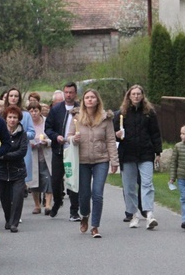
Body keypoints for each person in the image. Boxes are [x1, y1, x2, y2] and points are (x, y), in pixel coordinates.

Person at [68, 89, 119, 238]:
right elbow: (69, 136)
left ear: (97, 100)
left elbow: (110, 140)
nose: (90, 100)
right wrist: (73, 139)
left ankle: (95, 225)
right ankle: (84, 215)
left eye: (92, 97)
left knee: (97, 193)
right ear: (83, 101)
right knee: (84, 194)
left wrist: (114, 161)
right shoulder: (77, 117)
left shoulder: (106, 118)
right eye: (87, 97)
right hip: (82, 160)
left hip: (101, 160)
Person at [115, 85, 162, 229]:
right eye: (133, 94)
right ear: (129, 96)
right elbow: (113, 134)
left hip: (145, 152)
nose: (136, 96)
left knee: (147, 183)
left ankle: (149, 214)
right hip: (127, 153)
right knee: (129, 186)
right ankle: (133, 214)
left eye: (138, 94)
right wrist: (117, 135)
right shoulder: (121, 114)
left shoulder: (149, 113)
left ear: (142, 96)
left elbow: (155, 133)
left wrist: (158, 152)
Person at [45, 82, 81, 221]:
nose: (68, 95)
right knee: (56, 180)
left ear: (75, 93)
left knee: (72, 180)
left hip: (74, 150)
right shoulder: (56, 109)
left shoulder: (80, 109)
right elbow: (48, 128)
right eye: (66, 92)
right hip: (58, 150)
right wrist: (56, 137)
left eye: (71, 92)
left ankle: (74, 210)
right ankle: (57, 201)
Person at [0, 105, 28, 232]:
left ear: (18, 119)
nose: (12, 120)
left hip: (18, 171)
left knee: (17, 197)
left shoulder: (22, 134)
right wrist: (1, 155)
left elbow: (22, 152)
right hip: (2, 171)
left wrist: (4, 155)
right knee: (4, 199)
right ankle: (8, 219)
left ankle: (14, 223)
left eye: (15, 117)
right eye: (10, 117)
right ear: (5, 118)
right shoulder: (0, 133)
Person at [27, 100, 53, 214]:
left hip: (46, 154)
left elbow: (53, 136)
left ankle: (48, 205)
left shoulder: (47, 122)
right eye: (31, 111)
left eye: (36, 110)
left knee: (48, 179)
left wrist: (46, 142)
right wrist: (30, 143)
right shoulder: (27, 123)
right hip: (32, 155)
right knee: (34, 182)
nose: (34, 113)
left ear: (40, 111)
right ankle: (37, 205)